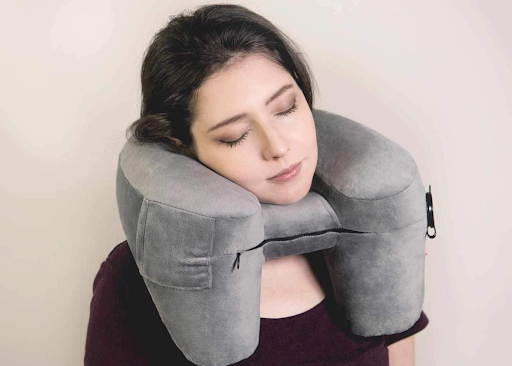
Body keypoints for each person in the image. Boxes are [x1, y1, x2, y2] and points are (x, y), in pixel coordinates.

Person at [85, 4, 428, 365]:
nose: (278, 147)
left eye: (285, 108)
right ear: (182, 148)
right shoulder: (137, 277)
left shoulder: (375, 237)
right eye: (235, 136)